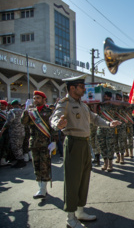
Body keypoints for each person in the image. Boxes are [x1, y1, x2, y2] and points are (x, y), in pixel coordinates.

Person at [50, 74, 122, 228]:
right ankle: (70, 217)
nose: (84, 89)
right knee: (72, 181)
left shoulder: (83, 105)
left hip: (84, 143)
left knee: (84, 179)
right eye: (81, 86)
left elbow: (95, 118)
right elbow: (54, 118)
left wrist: (109, 124)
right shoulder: (65, 103)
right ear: (72, 88)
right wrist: (58, 123)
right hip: (73, 144)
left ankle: (80, 211)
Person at [21, 91, 56, 199]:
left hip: (45, 143)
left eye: (38, 98)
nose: (35, 100)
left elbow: (53, 128)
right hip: (34, 143)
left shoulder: (49, 112)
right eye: (34, 98)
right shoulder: (31, 112)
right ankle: (41, 188)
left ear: (44, 99)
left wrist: (54, 141)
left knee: (44, 166)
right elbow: (23, 122)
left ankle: (42, 189)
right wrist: (25, 111)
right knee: (36, 166)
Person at [0, 100, 26, 168]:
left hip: (14, 132)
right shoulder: (23, 111)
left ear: (12, 105)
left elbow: (8, 122)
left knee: (15, 147)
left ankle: (20, 161)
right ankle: (21, 160)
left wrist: (2, 130)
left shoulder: (12, 111)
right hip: (22, 131)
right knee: (20, 146)